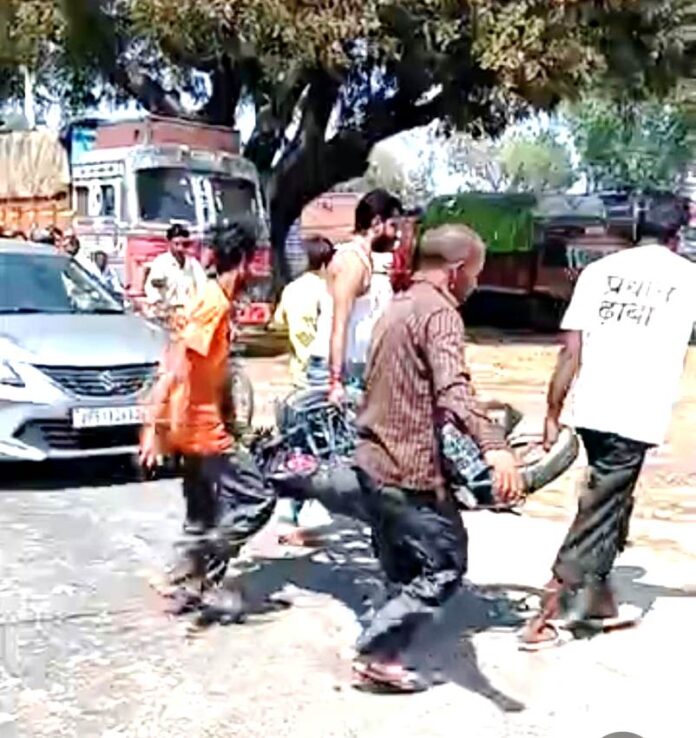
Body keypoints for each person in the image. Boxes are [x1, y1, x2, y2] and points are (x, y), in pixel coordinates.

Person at [350, 224, 523, 691]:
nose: (476, 284)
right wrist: (495, 446)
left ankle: (387, 644)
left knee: (402, 563)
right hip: (407, 467)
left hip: (373, 457)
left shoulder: (398, 305)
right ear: (457, 270)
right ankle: (377, 652)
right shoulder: (440, 313)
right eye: (476, 274)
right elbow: (453, 388)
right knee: (445, 563)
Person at [520, 198, 696, 650]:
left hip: (592, 410)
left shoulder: (599, 273)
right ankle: (545, 616)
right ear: (678, 235)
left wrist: (553, 411)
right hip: (635, 415)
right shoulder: (687, 278)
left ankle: (597, 598)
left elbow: (571, 350)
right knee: (600, 510)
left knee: (612, 500)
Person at [140, 220, 276, 620]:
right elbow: (176, 366)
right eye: (256, 263)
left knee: (204, 511)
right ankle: (199, 556)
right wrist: (153, 428)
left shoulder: (215, 300)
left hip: (193, 424)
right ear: (245, 261)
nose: (258, 273)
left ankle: (192, 588)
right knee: (258, 498)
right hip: (200, 429)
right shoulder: (213, 303)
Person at [306, 189, 403, 402]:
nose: (397, 235)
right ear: (376, 223)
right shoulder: (352, 261)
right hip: (339, 372)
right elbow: (339, 324)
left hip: (355, 370)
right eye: (393, 226)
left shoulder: (365, 260)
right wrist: (336, 382)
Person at [272, 236, 334, 387]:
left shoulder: (291, 289)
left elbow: (278, 322)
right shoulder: (327, 290)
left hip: (299, 371)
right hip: (323, 365)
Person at [143, 224, 207, 310]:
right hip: (166, 310)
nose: (180, 248)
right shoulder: (161, 262)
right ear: (169, 243)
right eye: (176, 244)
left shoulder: (194, 265)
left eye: (185, 244)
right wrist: (159, 304)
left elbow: (203, 288)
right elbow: (152, 289)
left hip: (189, 310)